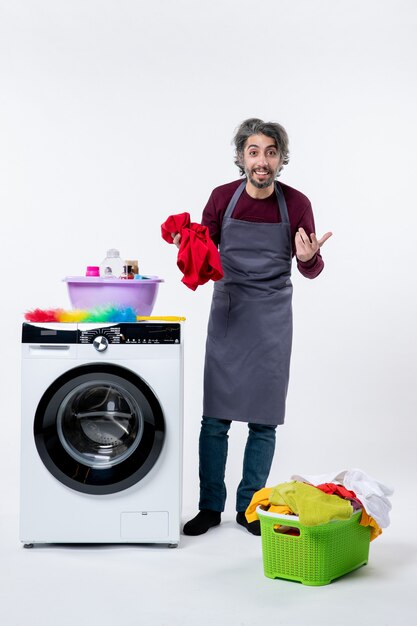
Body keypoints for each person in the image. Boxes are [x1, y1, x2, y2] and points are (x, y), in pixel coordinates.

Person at [172, 118, 332, 536]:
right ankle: (210, 507)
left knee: (264, 421)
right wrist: (185, 243)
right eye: (254, 151)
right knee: (216, 418)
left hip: (272, 318)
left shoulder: (296, 204)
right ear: (242, 156)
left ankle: (250, 508)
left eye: (271, 152)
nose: (263, 161)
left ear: (281, 159)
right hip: (229, 310)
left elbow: (310, 270)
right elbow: (201, 254)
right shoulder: (222, 198)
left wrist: (310, 257)